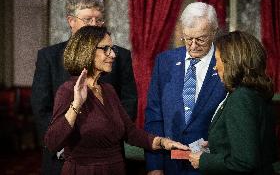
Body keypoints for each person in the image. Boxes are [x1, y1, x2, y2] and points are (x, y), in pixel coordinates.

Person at [44, 26, 189, 175]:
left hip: (116, 168)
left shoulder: (109, 90)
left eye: (112, 49)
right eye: (106, 49)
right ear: (87, 51)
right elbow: (52, 142)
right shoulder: (68, 90)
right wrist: (76, 105)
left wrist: (163, 142)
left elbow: (130, 132)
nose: (113, 54)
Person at [31, 0, 137, 175]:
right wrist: (61, 143)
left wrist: (109, 136)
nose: (95, 25)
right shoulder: (49, 56)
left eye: (99, 20)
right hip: (62, 156)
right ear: (71, 21)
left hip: (107, 157)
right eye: (88, 19)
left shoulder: (119, 57)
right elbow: (41, 107)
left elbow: (129, 101)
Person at [144, 2, 227, 175]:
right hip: (170, 165)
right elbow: (154, 116)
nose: (194, 46)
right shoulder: (165, 61)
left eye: (201, 39)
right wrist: (155, 166)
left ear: (214, 31)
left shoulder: (226, 63)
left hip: (210, 166)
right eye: (188, 39)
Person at [188, 31, 277, 175]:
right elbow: (253, 140)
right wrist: (217, 143)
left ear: (232, 61)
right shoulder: (255, 93)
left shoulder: (241, 98)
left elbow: (244, 162)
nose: (215, 67)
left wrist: (203, 160)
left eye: (217, 60)